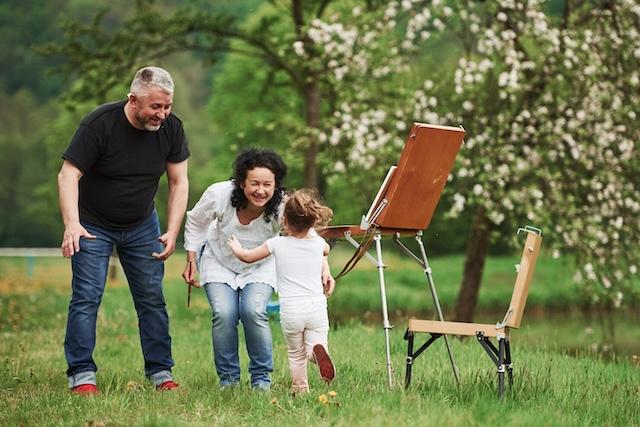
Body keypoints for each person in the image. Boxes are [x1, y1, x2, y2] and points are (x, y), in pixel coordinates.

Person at [58, 66, 189, 394]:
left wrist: (173, 230)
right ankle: (81, 374)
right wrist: (72, 223)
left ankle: (161, 372)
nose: (162, 114)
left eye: (167, 106)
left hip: (143, 225)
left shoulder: (172, 128)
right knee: (87, 298)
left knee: (151, 299)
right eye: (155, 107)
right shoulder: (99, 124)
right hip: (93, 226)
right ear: (133, 100)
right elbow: (68, 175)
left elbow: (178, 181)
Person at [182, 148, 334, 391]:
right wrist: (191, 257)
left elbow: (310, 238)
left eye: (267, 184)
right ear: (242, 182)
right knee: (224, 313)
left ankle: (261, 379)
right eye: (254, 183)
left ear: (276, 185)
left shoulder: (284, 204)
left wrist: (324, 269)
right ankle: (229, 380)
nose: (261, 190)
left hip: (260, 266)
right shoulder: (219, 194)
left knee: (253, 312)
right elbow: (196, 222)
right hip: (219, 261)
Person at [227, 189, 336, 395]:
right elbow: (326, 251)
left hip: (292, 311)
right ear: (312, 223)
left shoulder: (276, 244)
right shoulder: (319, 243)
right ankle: (316, 352)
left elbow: (248, 257)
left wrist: (236, 247)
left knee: (296, 354)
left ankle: (300, 388)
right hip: (316, 307)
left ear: (284, 221)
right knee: (316, 344)